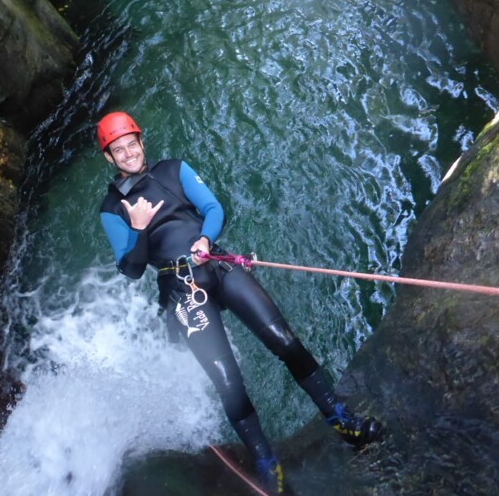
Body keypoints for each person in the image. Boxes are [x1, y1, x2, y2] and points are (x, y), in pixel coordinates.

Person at [96, 111, 383, 494]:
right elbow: (130, 268)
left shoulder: (174, 170)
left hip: (216, 264)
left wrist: (204, 240)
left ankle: (339, 417)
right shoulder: (112, 208)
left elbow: (213, 208)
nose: (129, 153)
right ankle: (266, 462)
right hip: (181, 289)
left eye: (133, 144)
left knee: (284, 339)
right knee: (229, 382)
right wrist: (139, 228)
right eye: (120, 149)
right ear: (109, 157)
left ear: (141, 142)